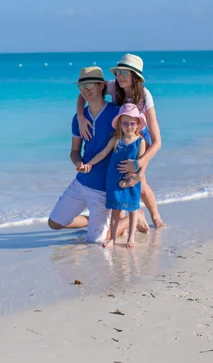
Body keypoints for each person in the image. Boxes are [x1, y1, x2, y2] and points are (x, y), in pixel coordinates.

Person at [48, 67, 145, 242]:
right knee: (54, 223)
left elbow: (140, 140)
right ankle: (93, 222)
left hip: (103, 188)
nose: (85, 90)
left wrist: (138, 170)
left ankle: (133, 218)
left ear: (101, 86)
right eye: (81, 86)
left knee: (97, 241)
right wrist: (78, 163)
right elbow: (74, 151)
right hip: (81, 182)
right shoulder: (78, 118)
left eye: (90, 84)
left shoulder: (117, 114)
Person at [76, 54, 165, 229]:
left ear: (136, 76)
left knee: (139, 181)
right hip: (119, 138)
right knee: (120, 180)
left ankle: (155, 217)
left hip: (139, 141)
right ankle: (128, 221)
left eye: (125, 73)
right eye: (118, 72)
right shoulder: (112, 86)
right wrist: (80, 116)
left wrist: (139, 162)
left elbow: (157, 141)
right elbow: (83, 95)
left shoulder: (144, 95)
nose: (120, 77)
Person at [82, 104, 147, 248]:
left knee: (132, 209)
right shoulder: (116, 140)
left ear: (137, 124)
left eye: (132, 123)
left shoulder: (140, 142)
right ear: (119, 124)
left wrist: (131, 180)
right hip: (114, 180)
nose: (129, 126)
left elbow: (141, 164)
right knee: (115, 210)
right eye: (125, 123)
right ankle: (113, 239)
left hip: (131, 181)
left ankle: (131, 237)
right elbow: (102, 154)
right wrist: (89, 164)